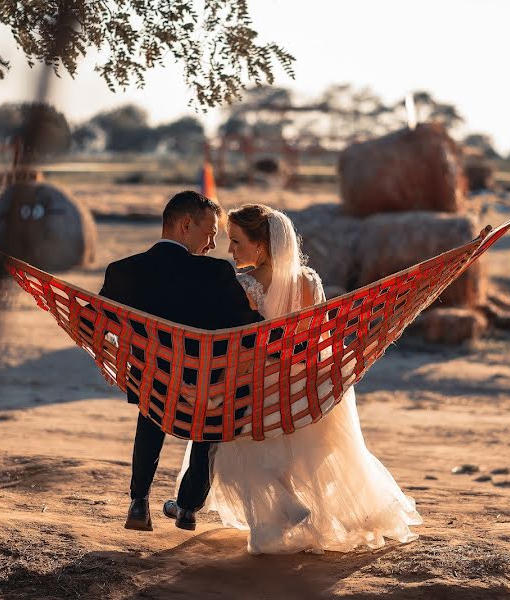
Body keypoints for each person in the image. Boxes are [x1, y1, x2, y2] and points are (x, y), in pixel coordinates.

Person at [175, 203, 422, 554]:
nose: (230, 250)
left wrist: (220, 383)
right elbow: (316, 338)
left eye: (236, 242)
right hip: (305, 381)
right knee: (289, 449)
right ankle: (290, 508)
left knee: (240, 452)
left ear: (260, 246)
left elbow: (241, 347)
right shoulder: (309, 281)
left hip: (259, 382)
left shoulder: (243, 286)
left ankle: (286, 513)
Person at [98, 191, 260, 532]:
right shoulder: (215, 274)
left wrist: (112, 359)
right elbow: (250, 331)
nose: (213, 243)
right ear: (186, 225)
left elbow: (93, 323)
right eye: (210, 232)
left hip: (150, 383)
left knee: (151, 411)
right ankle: (187, 509)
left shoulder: (123, 271)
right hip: (202, 387)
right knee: (211, 420)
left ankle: (138, 502)